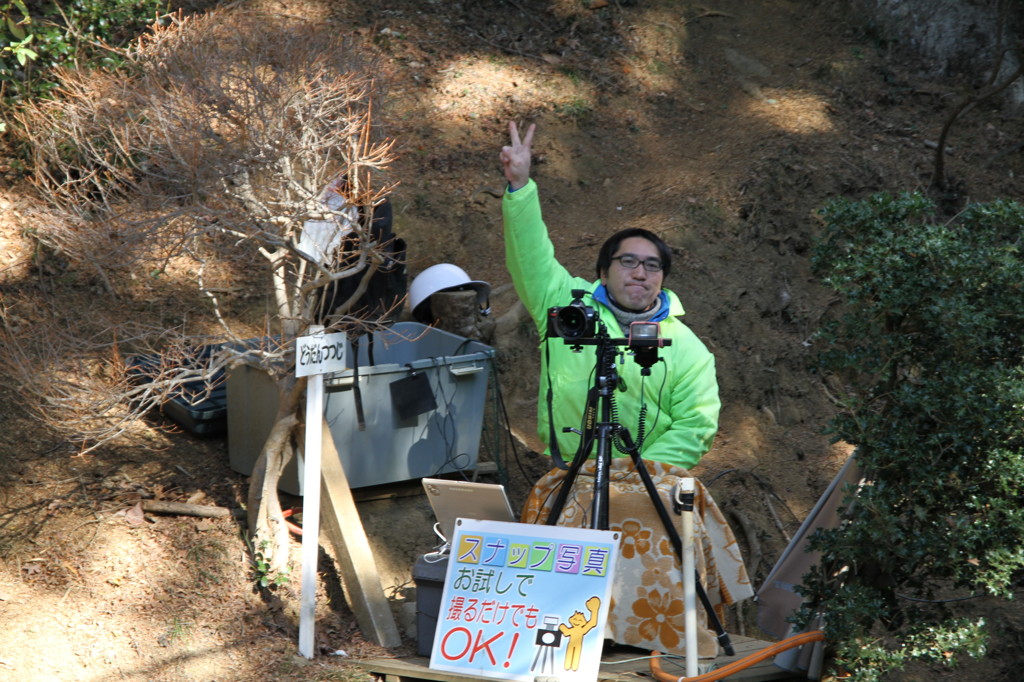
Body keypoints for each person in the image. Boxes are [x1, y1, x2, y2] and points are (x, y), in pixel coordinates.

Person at [500, 121, 752, 658]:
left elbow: (696, 423)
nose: (640, 273)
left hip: (650, 477)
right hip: (573, 470)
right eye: (629, 261)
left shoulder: (686, 347)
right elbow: (530, 256)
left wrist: (634, 471)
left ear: (663, 278)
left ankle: (649, 636)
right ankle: (556, 635)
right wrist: (520, 186)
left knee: (648, 513)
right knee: (559, 511)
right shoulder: (566, 307)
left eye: (652, 266)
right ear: (603, 270)